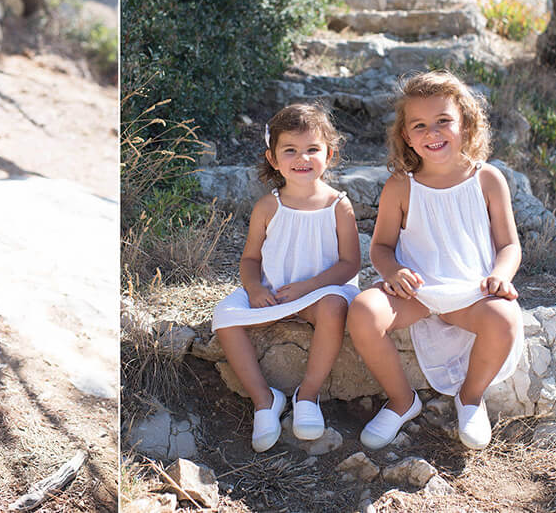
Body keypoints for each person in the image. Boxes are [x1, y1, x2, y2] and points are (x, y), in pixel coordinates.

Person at [347, 70, 523, 451]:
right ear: (406, 136)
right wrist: (393, 272)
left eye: (444, 121)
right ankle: (402, 400)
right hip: (419, 292)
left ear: (466, 123)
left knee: (506, 319)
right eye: (420, 125)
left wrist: (500, 275)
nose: (433, 132)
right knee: (363, 310)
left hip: (471, 291)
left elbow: (509, 245)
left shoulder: (488, 179)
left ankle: (470, 398)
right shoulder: (400, 186)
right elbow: (380, 247)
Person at [212, 104, 361, 452]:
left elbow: (350, 264)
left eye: (312, 149)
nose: (302, 158)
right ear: (273, 158)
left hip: (320, 291)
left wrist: (309, 287)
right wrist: (255, 287)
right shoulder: (268, 206)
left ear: (330, 154)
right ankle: (265, 400)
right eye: (290, 150)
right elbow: (250, 259)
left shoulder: (339, 206)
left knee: (334, 307)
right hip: (275, 291)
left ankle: (307, 395)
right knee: (224, 316)